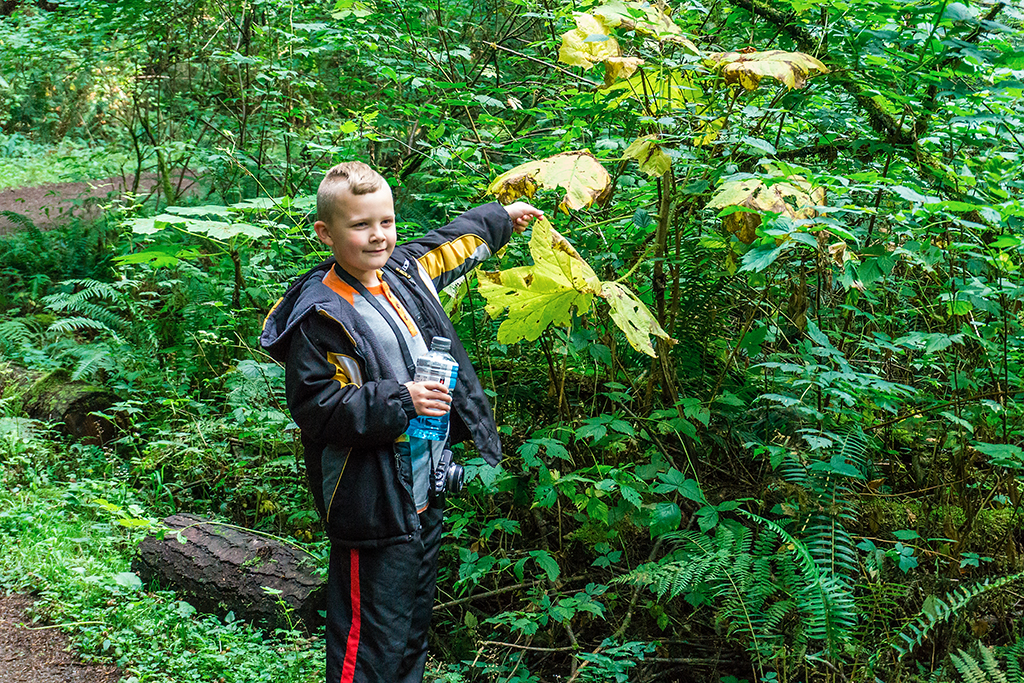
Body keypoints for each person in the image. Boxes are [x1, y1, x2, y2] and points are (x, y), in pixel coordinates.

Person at [260, 161, 542, 683]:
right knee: (368, 647)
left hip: (423, 491)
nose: (378, 237)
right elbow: (320, 410)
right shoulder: (321, 315)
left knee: (411, 634)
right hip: (371, 503)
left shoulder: (404, 274)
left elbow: (452, 243)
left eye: (386, 222)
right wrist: (403, 398)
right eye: (361, 225)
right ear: (326, 233)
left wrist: (502, 217)